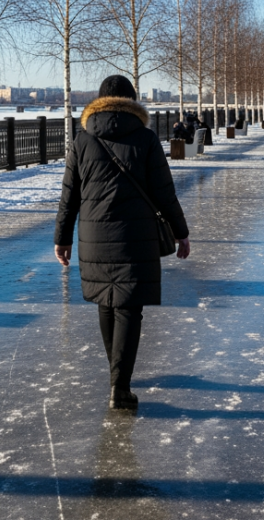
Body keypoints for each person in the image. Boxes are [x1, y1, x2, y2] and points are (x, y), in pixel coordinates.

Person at [54, 75, 191, 411]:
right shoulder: (145, 139)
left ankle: (116, 375)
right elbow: (164, 192)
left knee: (106, 301)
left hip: (94, 235)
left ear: (99, 102)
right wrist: (180, 231)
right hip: (136, 236)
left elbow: (69, 196)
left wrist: (62, 238)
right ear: (132, 100)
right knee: (129, 308)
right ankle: (120, 385)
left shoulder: (82, 140)